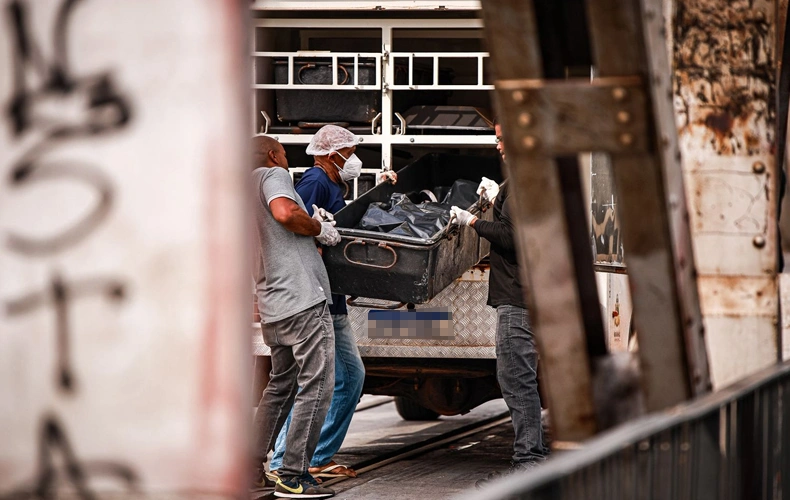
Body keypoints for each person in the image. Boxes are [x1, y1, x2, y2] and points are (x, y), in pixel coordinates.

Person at [268, 125, 396, 480]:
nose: (354, 158)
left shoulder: (332, 183)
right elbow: (293, 230)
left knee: (343, 378)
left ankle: (308, 455)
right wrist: (318, 232)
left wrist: (379, 191)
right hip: (317, 297)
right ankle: (288, 460)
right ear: (327, 154)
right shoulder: (314, 182)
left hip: (331, 296)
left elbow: (344, 221)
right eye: (349, 151)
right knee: (328, 381)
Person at [450, 120, 549, 487]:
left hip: (518, 300)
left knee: (517, 381)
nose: (499, 146)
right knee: (520, 380)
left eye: (503, 139)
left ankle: (529, 462)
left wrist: (472, 220)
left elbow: (513, 237)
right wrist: (496, 198)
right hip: (528, 296)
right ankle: (532, 455)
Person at [250, 135, 340, 499]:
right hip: (302, 299)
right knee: (318, 384)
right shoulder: (271, 175)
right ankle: (293, 474)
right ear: (273, 154)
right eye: (285, 154)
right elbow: (285, 213)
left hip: (273, 302)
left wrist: (308, 221)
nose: (287, 160)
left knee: (281, 385)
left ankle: (249, 465)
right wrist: (319, 228)